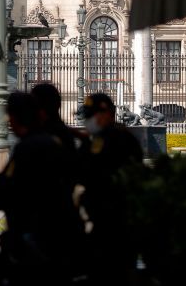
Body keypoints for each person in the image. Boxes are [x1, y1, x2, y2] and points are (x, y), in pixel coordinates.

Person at [0, 92, 78, 285]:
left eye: (9, 116)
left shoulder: (29, 147)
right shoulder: (51, 141)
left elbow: (10, 188)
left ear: (15, 117)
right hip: (57, 235)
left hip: (33, 238)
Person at [77, 93, 144, 280]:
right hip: (115, 219)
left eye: (92, 115)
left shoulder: (106, 140)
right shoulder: (122, 137)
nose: (88, 121)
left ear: (106, 114)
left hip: (111, 218)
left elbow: (86, 170)